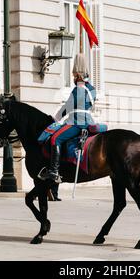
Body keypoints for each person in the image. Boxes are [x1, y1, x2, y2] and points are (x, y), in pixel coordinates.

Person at [38, 53, 97, 183]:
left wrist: (56, 118)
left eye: (74, 75)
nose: (74, 78)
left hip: (77, 122)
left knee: (55, 139)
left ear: (77, 74)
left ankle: (54, 171)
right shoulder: (92, 89)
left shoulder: (78, 89)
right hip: (88, 120)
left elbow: (67, 107)